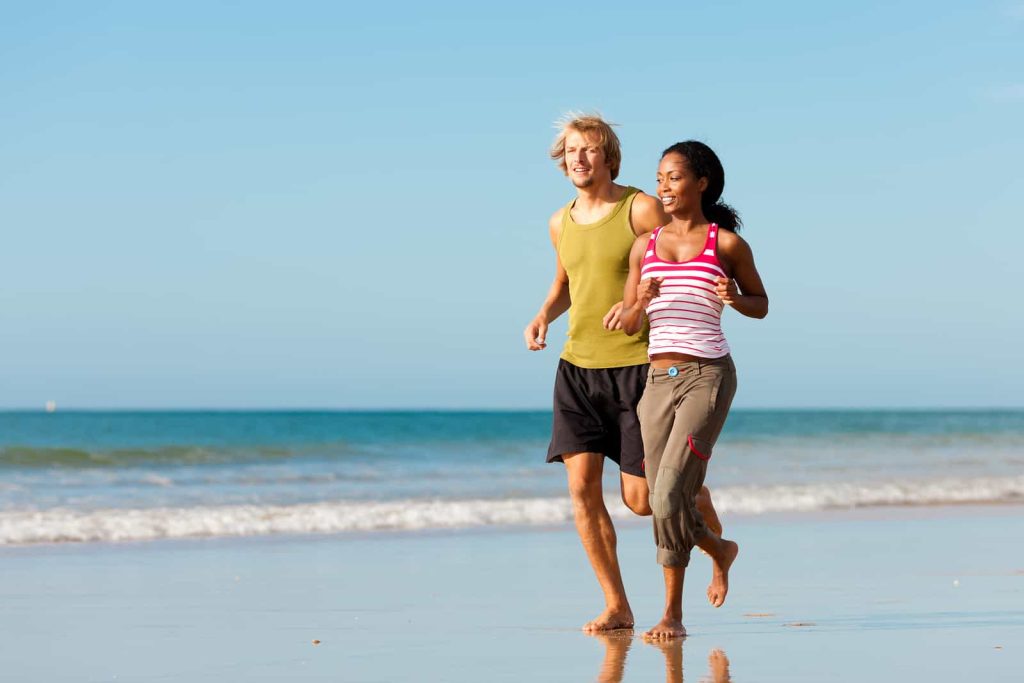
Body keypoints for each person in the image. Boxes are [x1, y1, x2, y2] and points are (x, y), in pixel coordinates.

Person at [523, 115, 722, 632]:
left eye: (588, 150)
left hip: (639, 368)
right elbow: (567, 280)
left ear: (609, 156)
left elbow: (677, 258)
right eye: (570, 152)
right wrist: (545, 312)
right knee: (582, 488)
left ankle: (696, 508)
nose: (578, 159)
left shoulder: (640, 207)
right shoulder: (558, 222)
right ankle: (618, 604)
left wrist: (649, 305)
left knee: (641, 500)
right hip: (577, 370)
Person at [620, 140, 769, 640]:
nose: (663, 186)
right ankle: (720, 549)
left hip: (708, 375)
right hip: (656, 381)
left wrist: (735, 297)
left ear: (701, 183)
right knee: (664, 500)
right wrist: (638, 300)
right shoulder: (644, 246)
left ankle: (672, 614)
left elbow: (761, 303)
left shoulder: (725, 245)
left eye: (674, 177)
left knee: (667, 493)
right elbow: (627, 323)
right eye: (659, 177)